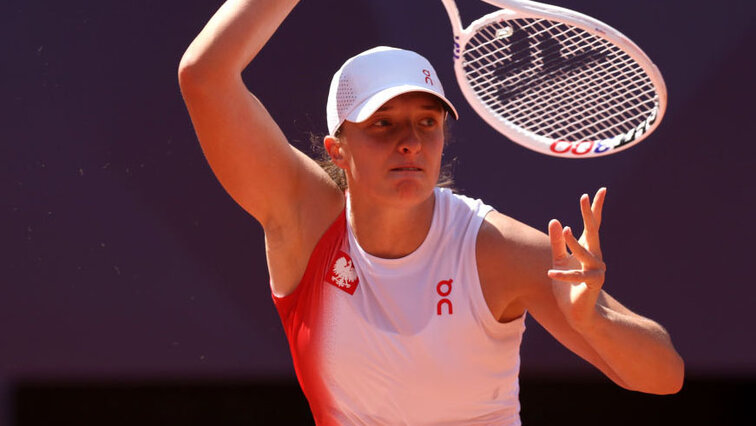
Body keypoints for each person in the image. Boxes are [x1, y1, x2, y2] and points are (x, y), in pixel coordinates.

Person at [178, 0, 684, 424]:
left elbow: (664, 378)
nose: (410, 143)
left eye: (427, 121)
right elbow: (205, 76)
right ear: (337, 149)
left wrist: (592, 320)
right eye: (383, 124)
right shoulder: (303, 220)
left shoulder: (495, 250)